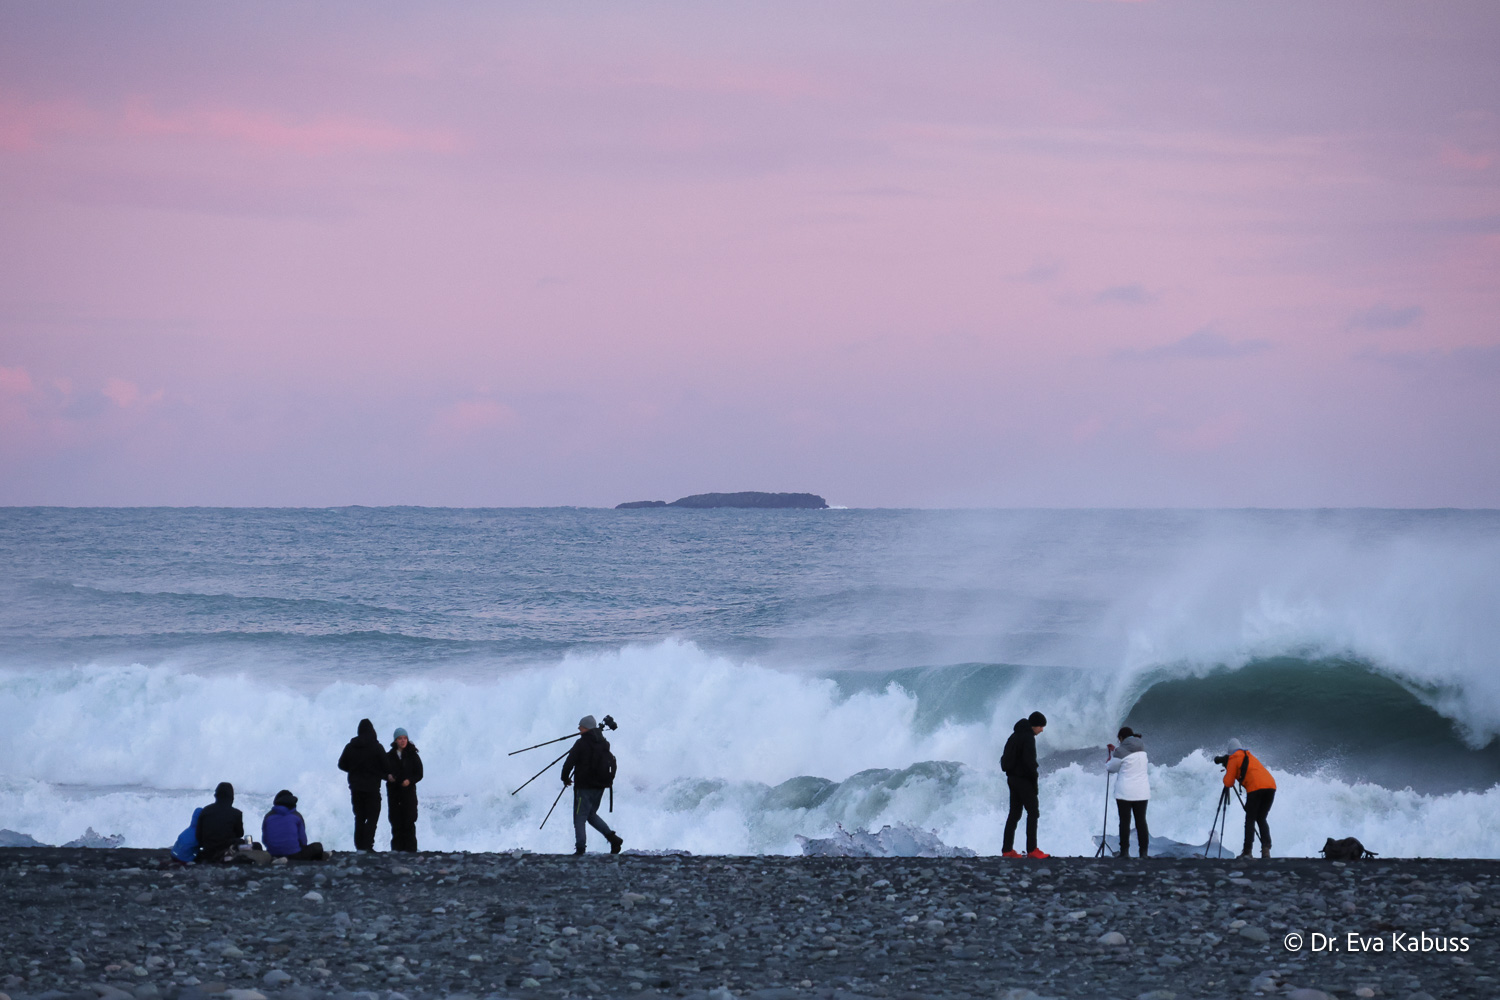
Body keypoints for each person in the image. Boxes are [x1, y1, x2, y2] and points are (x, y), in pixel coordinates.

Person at [561, 715, 623, 856]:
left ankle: (580, 849)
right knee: (590, 814)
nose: (579, 728)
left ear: (587, 728)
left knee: (579, 818)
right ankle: (613, 839)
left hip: (584, 787)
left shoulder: (581, 743)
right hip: (600, 786)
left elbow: (569, 763)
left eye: (581, 727)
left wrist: (565, 778)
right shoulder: (604, 743)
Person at [1000, 711, 1049, 859]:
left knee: (1014, 814)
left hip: (1012, 778)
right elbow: (1029, 762)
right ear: (1035, 725)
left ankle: (1007, 850)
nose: (1042, 730)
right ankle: (1032, 850)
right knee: (1033, 812)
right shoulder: (1028, 737)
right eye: (1041, 726)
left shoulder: (1014, 736)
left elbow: (1005, 759)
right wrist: (1034, 781)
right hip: (1023, 780)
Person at [338, 718, 390, 851]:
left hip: (356, 787)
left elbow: (341, 764)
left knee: (359, 817)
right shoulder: (377, 747)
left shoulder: (350, 746)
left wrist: (353, 770)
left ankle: (359, 846)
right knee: (372, 817)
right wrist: (379, 773)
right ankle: (368, 845)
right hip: (372, 788)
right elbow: (387, 766)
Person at [1222, 737, 1277, 859]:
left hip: (1256, 788)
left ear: (1230, 752)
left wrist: (1228, 767)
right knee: (1261, 818)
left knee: (1250, 819)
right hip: (1271, 787)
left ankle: (1247, 851)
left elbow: (1228, 782)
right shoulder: (1249, 756)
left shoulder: (1233, 758)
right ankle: (1266, 850)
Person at [1106, 726, 1150, 858]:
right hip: (1142, 791)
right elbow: (1129, 757)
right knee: (1141, 821)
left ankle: (1124, 852)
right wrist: (1116, 750)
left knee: (1125, 821)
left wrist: (1110, 758)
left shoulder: (1121, 751)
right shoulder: (1141, 747)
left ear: (1121, 738)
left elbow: (1111, 768)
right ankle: (1143, 853)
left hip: (1125, 792)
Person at [261, 789, 327, 861]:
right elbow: (303, 841)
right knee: (317, 846)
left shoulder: (268, 816)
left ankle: (277, 859)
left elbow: (265, 840)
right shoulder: (297, 816)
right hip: (294, 855)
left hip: (272, 854)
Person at [386, 727, 423, 852]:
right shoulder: (389, 756)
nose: (403, 741)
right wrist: (388, 776)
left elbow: (419, 774)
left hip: (408, 793)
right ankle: (396, 850)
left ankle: (411, 850)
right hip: (394, 793)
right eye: (400, 738)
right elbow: (382, 771)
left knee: (409, 820)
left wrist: (410, 781)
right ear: (395, 740)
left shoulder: (413, 755)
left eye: (405, 738)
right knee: (395, 821)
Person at [194, 782, 244, 862]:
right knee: (253, 845)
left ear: (216, 795)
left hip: (207, 851)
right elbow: (240, 834)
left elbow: (198, 836)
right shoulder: (236, 814)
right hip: (226, 851)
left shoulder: (205, 811)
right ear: (231, 797)